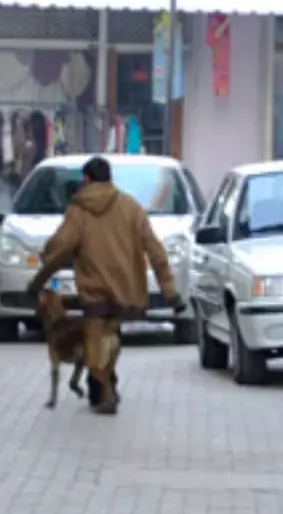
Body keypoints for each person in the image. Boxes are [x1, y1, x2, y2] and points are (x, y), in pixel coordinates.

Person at [26, 156, 185, 415]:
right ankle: (105, 385)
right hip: (126, 293)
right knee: (109, 339)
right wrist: (169, 289)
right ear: (110, 178)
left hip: (95, 294)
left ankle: (105, 392)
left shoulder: (79, 210)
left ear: (86, 180)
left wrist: (39, 280)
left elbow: (59, 249)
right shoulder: (131, 207)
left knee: (94, 344)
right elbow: (155, 249)